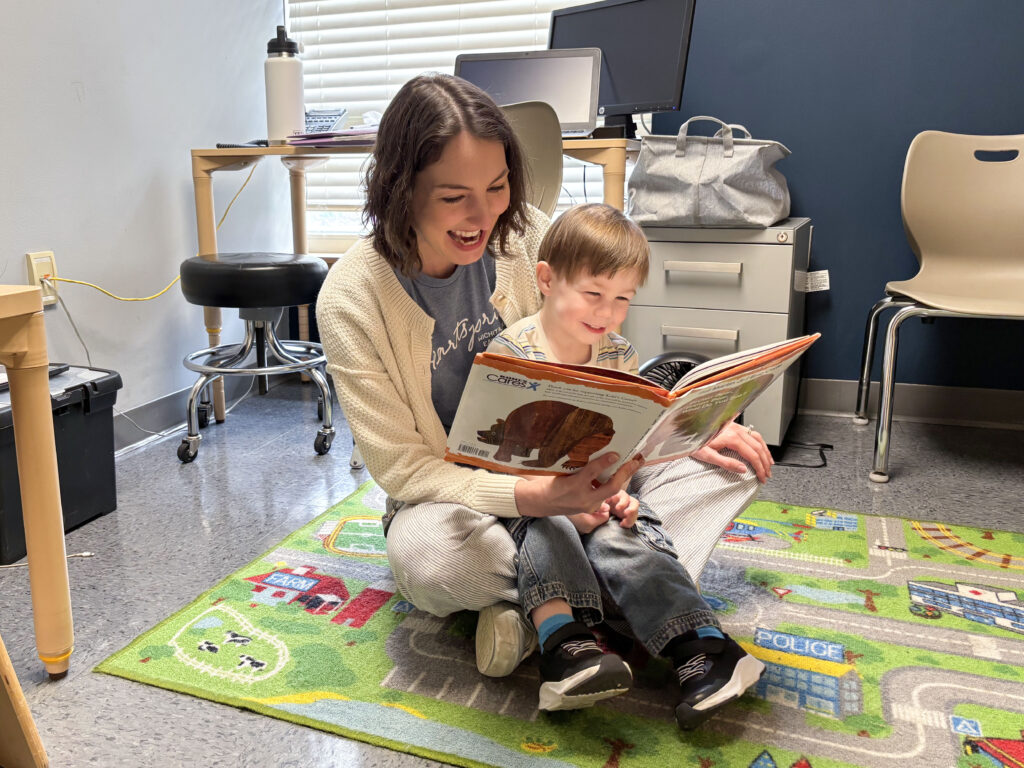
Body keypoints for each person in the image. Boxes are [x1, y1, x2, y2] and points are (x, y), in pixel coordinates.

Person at [316, 72, 772, 713]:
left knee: (732, 469)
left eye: (497, 187)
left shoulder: (526, 234)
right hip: (463, 497)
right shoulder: (351, 298)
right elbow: (405, 470)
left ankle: (543, 618)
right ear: (401, 190)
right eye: (455, 197)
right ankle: (625, 594)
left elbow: (596, 349)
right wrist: (538, 497)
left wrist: (682, 427)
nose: (483, 216)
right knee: (428, 559)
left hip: (584, 471)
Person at [485, 203, 765, 725]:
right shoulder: (513, 353)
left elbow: (624, 445)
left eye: (622, 299)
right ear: (546, 279)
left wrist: (617, 490)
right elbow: (500, 465)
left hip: (597, 490)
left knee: (623, 534)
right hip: (533, 498)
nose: (607, 313)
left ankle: (703, 650)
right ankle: (565, 646)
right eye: (593, 294)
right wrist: (562, 503)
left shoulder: (618, 355)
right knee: (546, 531)